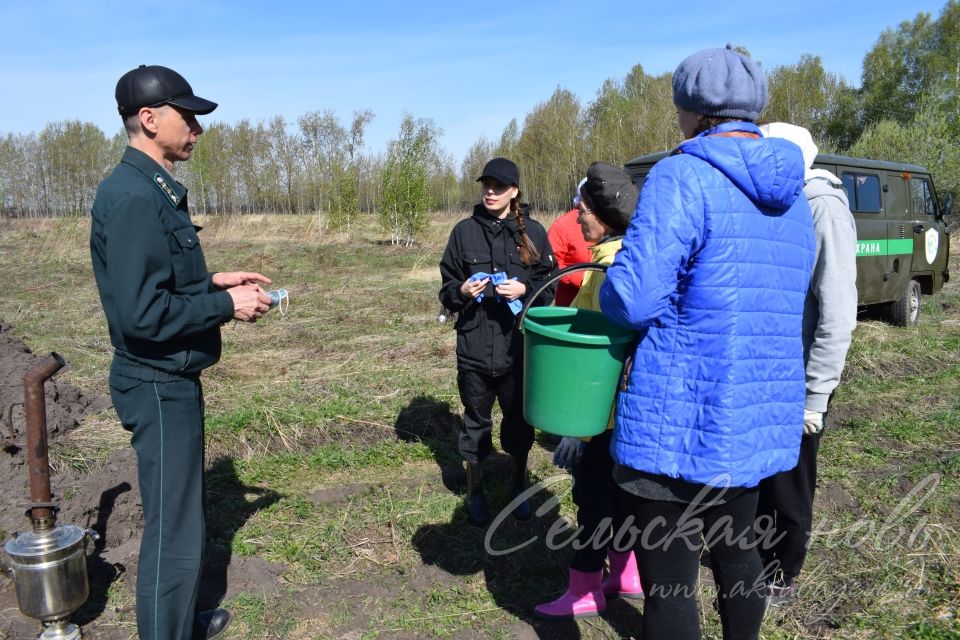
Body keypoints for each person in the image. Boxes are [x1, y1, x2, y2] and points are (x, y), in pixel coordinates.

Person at [599, 45, 815, 639]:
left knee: (669, 582)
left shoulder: (681, 175)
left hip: (680, 415)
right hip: (750, 416)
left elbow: (635, 299)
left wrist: (616, 282)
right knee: (738, 554)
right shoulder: (796, 196)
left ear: (691, 111)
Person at [90, 64, 273, 640]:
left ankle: (177, 620)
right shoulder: (132, 198)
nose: (197, 128)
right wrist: (226, 307)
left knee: (184, 520)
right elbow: (143, 317)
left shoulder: (153, 189)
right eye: (187, 117)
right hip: (156, 383)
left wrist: (213, 282)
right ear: (149, 119)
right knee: (173, 531)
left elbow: (159, 284)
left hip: (170, 379)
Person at [755, 122, 858, 605]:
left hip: (801, 376)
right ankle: (755, 556)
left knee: (791, 481)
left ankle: (782, 573)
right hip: (771, 368)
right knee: (763, 474)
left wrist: (816, 393)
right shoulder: (783, 202)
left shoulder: (823, 206)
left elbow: (837, 310)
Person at [535, 162, 643, 619]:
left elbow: (597, 358)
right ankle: (626, 574)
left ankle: (584, 591)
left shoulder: (605, 270)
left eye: (586, 208)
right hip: (630, 410)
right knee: (621, 498)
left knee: (593, 500)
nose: (577, 214)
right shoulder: (637, 258)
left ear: (606, 216)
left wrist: (576, 433)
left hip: (603, 413)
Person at [438, 157, 557, 526]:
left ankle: (518, 486)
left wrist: (526, 288)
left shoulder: (534, 232)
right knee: (475, 422)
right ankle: (475, 491)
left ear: (514, 192)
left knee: (519, 424)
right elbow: (445, 290)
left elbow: (548, 288)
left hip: (517, 348)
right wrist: (459, 289)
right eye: (486, 185)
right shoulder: (463, 233)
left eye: (499, 186)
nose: (490, 192)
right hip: (474, 347)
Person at [547, 178, 593, 306]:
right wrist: (582, 278)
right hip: (570, 303)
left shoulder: (609, 222)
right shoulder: (562, 226)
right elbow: (551, 264)